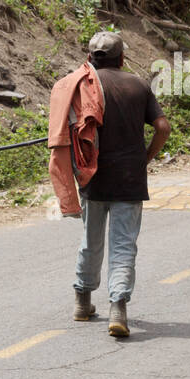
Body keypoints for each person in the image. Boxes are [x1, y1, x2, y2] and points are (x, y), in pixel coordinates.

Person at [70, 32, 170, 337]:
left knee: (91, 241)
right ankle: (118, 307)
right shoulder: (138, 85)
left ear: (89, 59)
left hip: (93, 177)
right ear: (122, 59)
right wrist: (145, 158)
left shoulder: (82, 88)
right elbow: (163, 127)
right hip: (129, 179)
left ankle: (82, 302)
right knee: (123, 245)